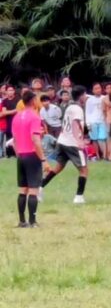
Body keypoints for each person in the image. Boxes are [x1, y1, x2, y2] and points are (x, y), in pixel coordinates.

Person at [40, 86, 90, 204]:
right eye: (85, 94)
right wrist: (79, 140)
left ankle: (39, 187)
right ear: (81, 95)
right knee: (84, 170)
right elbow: (75, 124)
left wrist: (85, 130)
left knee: (58, 168)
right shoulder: (78, 108)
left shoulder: (69, 107)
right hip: (72, 143)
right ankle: (79, 197)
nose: (86, 97)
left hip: (62, 141)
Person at [13, 91, 49, 227]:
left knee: (23, 190)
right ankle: (33, 221)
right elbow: (35, 139)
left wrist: (19, 154)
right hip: (32, 155)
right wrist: (43, 159)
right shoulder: (34, 117)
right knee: (33, 189)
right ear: (33, 100)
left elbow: (14, 140)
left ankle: (22, 221)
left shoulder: (17, 116)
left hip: (21, 155)